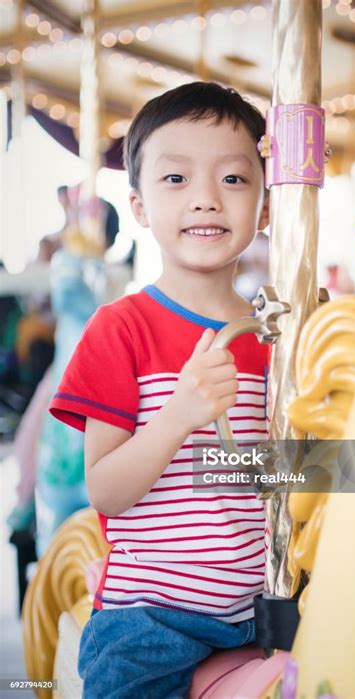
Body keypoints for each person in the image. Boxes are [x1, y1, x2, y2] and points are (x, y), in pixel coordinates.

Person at [49, 81, 270, 698]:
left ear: (267, 204)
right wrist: (177, 416)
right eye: (176, 180)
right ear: (140, 205)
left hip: (262, 607)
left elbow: (272, 475)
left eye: (233, 179)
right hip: (150, 619)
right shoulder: (120, 329)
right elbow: (107, 491)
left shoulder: (275, 337)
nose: (205, 200)